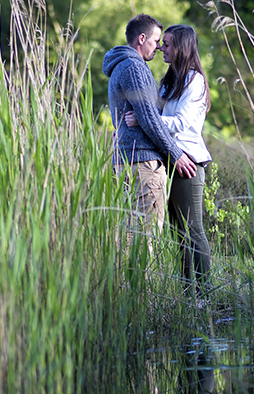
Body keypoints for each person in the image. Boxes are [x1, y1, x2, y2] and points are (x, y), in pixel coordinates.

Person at [124, 24, 213, 297]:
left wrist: (145, 120)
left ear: (182, 48)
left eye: (169, 43)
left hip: (189, 163)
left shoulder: (194, 81)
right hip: (171, 161)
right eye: (162, 42)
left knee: (193, 231)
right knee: (179, 235)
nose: (163, 46)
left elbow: (182, 123)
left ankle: (202, 295)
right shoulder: (170, 81)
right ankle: (190, 295)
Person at [103, 15, 197, 248]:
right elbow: (149, 118)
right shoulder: (135, 67)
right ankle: (140, 285)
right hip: (143, 163)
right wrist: (176, 154)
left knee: (128, 237)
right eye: (156, 41)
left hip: (125, 160)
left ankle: (124, 284)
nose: (158, 47)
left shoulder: (120, 65)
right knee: (146, 240)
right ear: (141, 38)